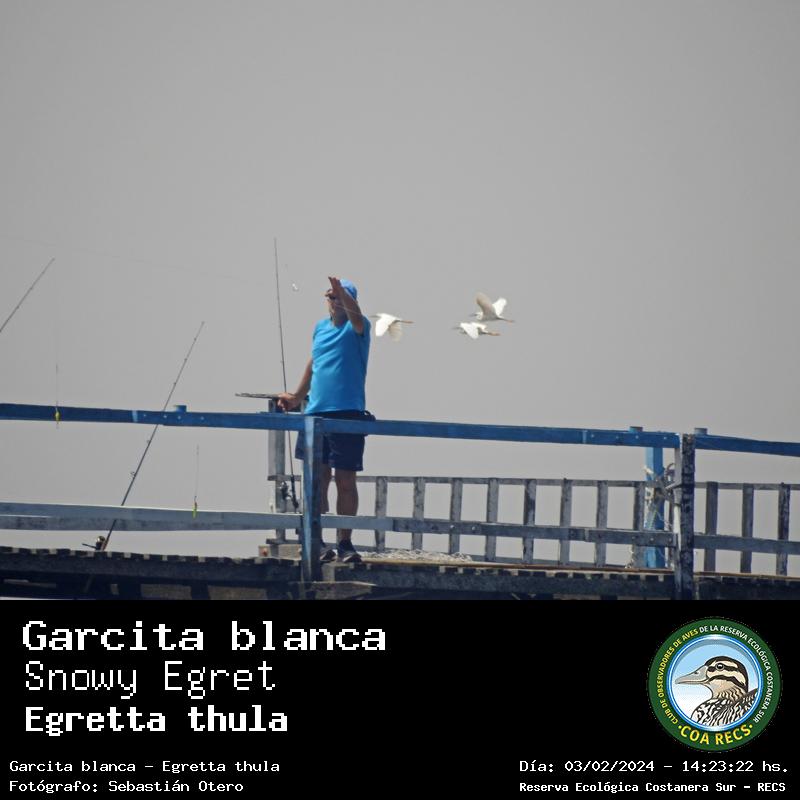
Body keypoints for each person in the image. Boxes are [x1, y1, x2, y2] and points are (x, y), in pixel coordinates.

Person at [278, 276, 371, 563]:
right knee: (317, 480)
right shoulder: (319, 328)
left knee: (346, 480)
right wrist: (296, 396)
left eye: (340, 297)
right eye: (331, 296)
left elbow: (356, 315)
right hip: (315, 413)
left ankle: (345, 543)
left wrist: (344, 293)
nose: (334, 301)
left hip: (348, 413)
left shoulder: (358, 326)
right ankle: (316, 541)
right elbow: (314, 362)